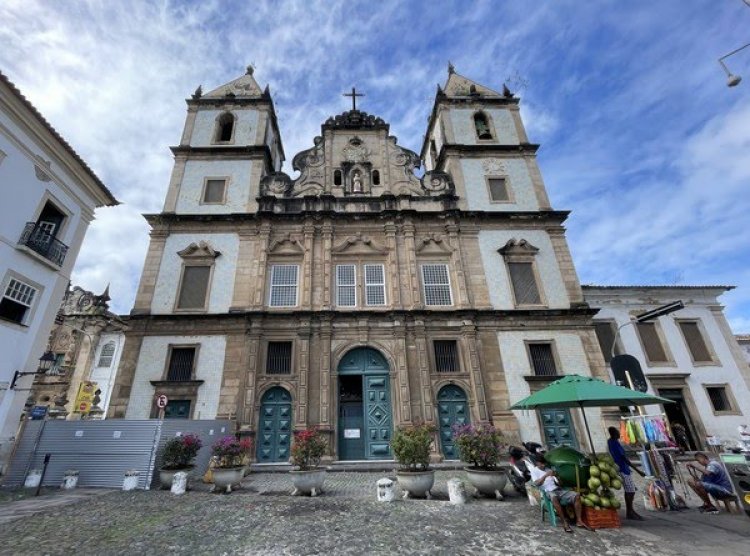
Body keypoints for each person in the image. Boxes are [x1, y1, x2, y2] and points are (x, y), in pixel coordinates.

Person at [529, 455, 594, 533]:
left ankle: (579, 521)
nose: (543, 465)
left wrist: (557, 476)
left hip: (558, 489)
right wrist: (546, 475)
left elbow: (560, 484)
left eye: (544, 463)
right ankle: (564, 522)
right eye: (541, 464)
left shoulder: (549, 469)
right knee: (554, 497)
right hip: (547, 491)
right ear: (537, 463)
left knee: (576, 495)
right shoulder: (534, 471)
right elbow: (537, 484)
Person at [607, 426, 645, 520]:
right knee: (631, 490)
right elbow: (624, 458)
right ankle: (630, 511)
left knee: (628, 490)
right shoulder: (615, 443)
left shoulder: (610, 441)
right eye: (617, 432)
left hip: (620, 468)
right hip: (623, 469)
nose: (619, 434)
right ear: (614, 434)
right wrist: (638, 471)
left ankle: (630, 510)